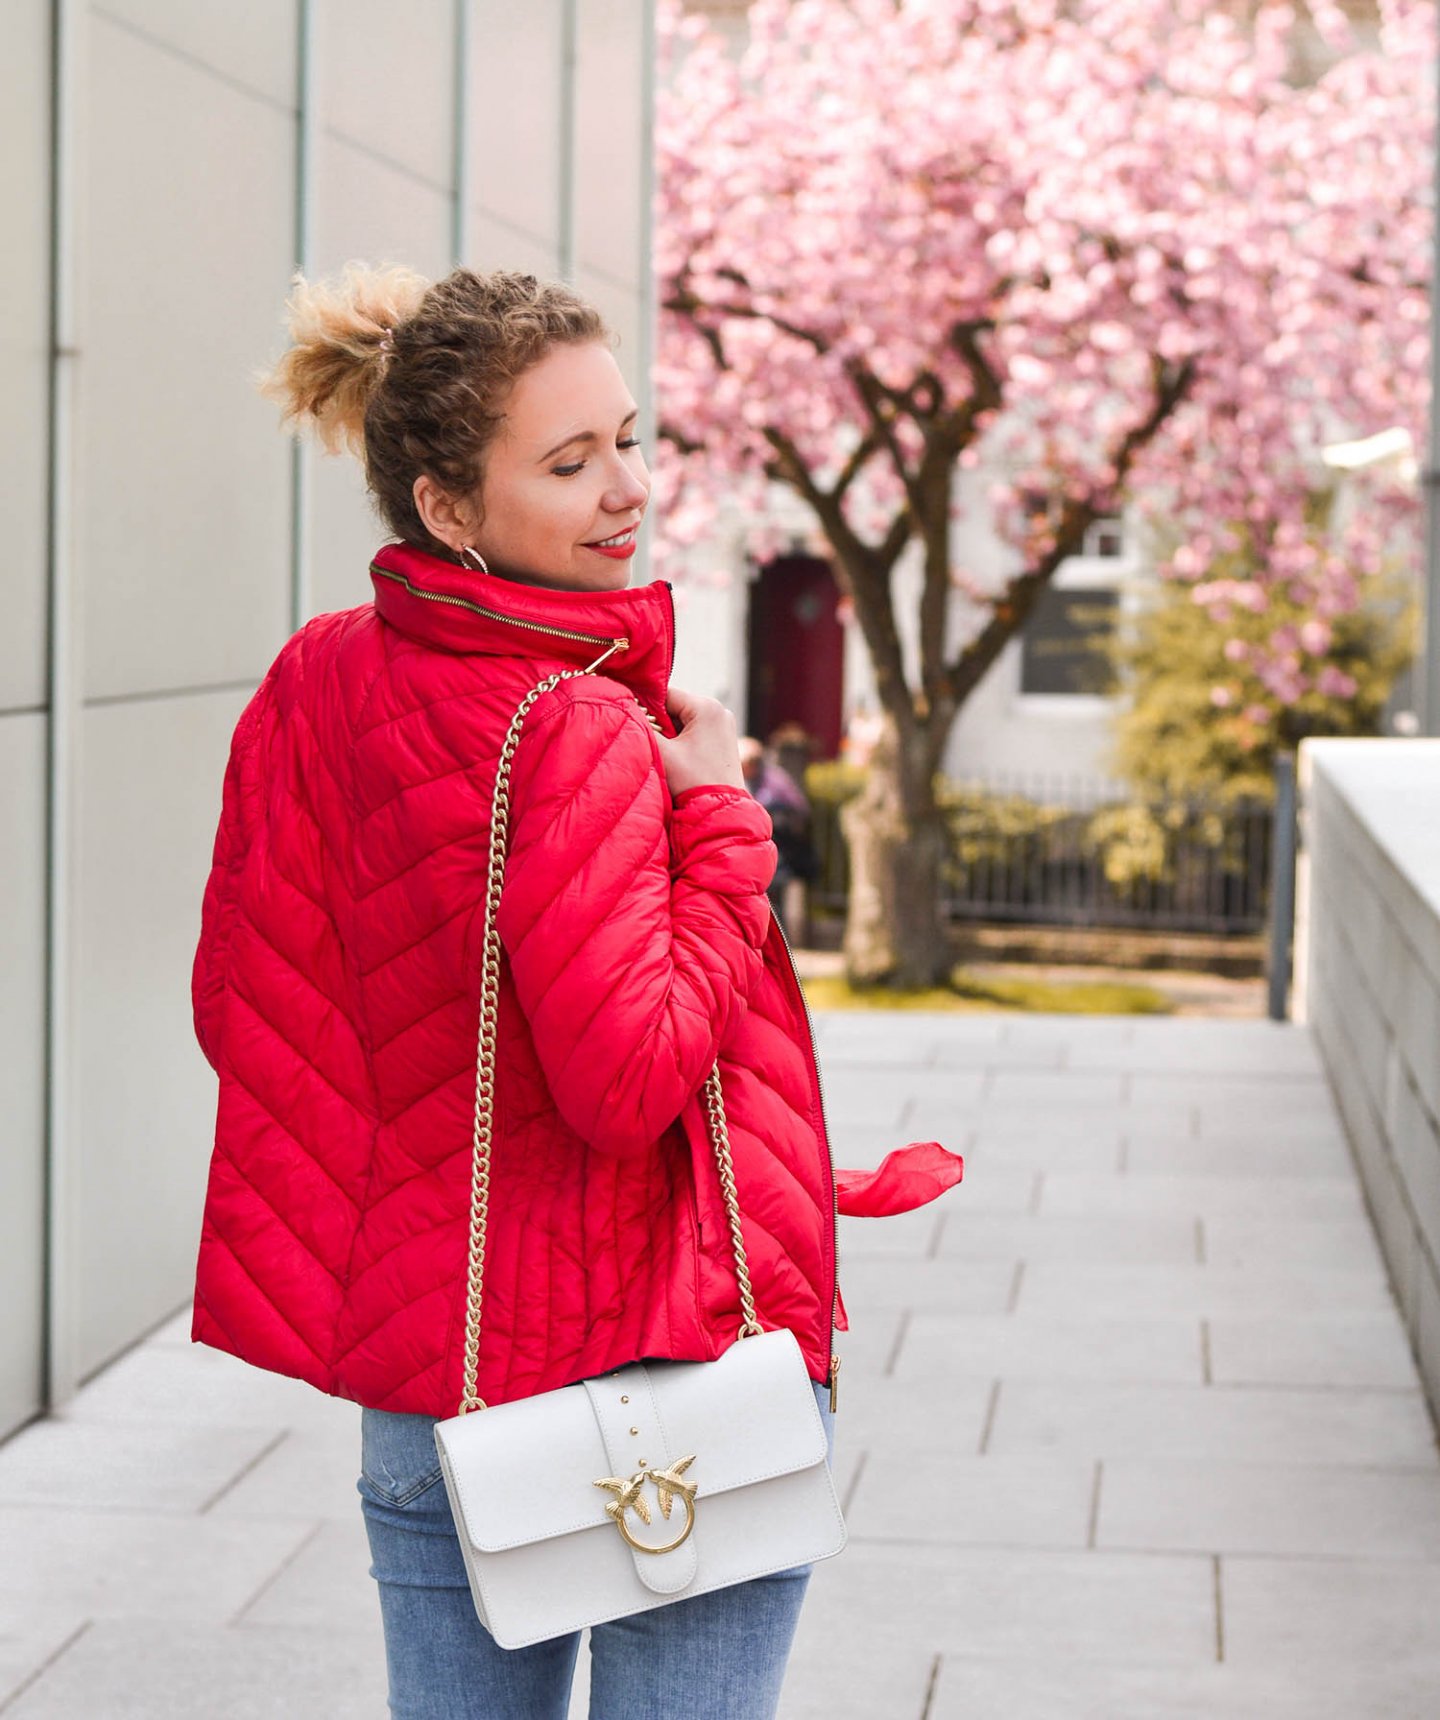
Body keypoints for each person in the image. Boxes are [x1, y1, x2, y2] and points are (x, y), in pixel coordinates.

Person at [188, 265, 961, 1719]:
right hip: (660, 1388)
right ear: (446, 509)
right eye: (570, 461)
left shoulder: (316, 677)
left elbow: (243, 1007)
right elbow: (630, 1082)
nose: (629, 490)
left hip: (425, 1400)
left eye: (628, 437)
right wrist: (729, 822)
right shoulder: (579, 724)